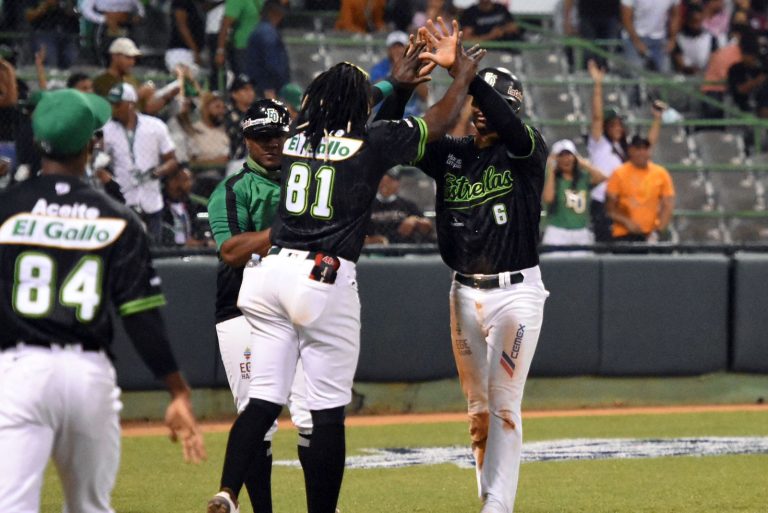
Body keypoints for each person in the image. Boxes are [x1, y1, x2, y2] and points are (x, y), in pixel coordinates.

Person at [206, 20, 485, 513]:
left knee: (264, 400)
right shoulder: (368, 140)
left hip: (268, 277)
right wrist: (461, 75)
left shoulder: (292, 140)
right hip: (321, 277)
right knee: (326, 412)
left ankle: (227, 490)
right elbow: (437, 123)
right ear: (359, 106)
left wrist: (392, 86)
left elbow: (351, 110)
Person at [0, 88, 206, 513]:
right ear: (92, 145)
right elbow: (140, 316)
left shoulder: (6, 208)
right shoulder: (117, 217)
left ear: (39, 143)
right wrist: (177, 390)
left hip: (18, 372)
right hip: (86, 373)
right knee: (90, 506)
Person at [411, 63, 549, 513]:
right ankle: (489, 498)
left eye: (496, 104)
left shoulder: (527, 151)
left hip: (516, 292)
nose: (485, 113)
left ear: (513, 109)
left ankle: (497, 507)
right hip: (464, 292)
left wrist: (465, 72)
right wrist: (410, 87)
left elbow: (507, 121)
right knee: (477, 412)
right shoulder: (453, 153)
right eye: (479, 103)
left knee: (505, 404)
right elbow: (408, 138)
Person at [207, 99, 313, 513]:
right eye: (261, 136)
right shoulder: (233, 188)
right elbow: (231, 250)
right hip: (241, 306)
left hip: (297, 303)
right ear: (247, 138)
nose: (271, 143)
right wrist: (284, 232)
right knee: (258, 416)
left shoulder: (301, 178)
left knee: (311, 411)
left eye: (278, 135)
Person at [587, 59, 662, 242]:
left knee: (627, 242)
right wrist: (598, 83)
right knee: (604, 242)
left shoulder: (624, 148)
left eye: (620, 124)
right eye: (613, 124)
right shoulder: (598, 143)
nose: (617, 127)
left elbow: (647, 145)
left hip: (622, 201)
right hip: (602, 200)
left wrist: (657, 120)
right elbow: (597, 116)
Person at [102, 82, 179, 243]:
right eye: (112, 104)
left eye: (118, 104)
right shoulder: (106, 130)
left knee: (153, 250)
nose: (114, 108)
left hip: (151, 197)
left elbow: (172, 160)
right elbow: (97, 162)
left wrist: (156, 172)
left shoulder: (155, 126)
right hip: (123, 199)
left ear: (131, 104)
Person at [606, 135, 676, 242]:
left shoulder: (661, 173)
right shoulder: (618, 174)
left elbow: (668, 204)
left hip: (651, 233)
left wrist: (658, 231)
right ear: (630, 151)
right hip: (624, 233)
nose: (642, 152)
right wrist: (627, 222)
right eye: (638, 149)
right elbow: (610, 208)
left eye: (645, 149)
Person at [542, 139, 606, 251]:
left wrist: (581, 161)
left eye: (569, 155)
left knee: (582, 267)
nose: (566, 159)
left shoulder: (583, 178)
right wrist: (551, 169)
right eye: (561, 156)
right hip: (557, 233)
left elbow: (602, 177)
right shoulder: (551, 180)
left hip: (581, 232)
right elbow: (548, 198)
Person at [92, 37, 176, 115]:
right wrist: (139, 94)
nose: (132, 62)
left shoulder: (130, 79)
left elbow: (147, 109)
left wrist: (168, 96)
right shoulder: (102, 80)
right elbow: (112, 110)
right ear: (115, 57)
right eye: (128, 57)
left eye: (133, 58)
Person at [365, 168, 434, 244]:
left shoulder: (407, 205)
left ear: (397, 183)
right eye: (383, 181)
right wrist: (370, 240)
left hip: (405, 250)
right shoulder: (366, 205)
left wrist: (415, 220)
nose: (386, 185)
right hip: (371, 252)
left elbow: (427, 227)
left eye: (390, 181)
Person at [370, 31, 428, 117]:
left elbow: (424, 96)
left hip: (410, 115)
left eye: (400, 46)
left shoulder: (415, 66)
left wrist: (414, 74)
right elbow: (375, 91)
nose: (397, 50)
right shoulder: (379, 67)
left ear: (407, 48)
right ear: (388, 50)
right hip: (382, 117)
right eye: (394, 47)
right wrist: (396, 68)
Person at [621, 0, 681, 73]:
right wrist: (637, 42)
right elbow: (626, 18)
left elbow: (675, 15)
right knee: (636, 76)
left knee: (664, 75)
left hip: (660, 39)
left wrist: (672, 39)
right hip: (634, 38)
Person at [246, 0, 290, 99]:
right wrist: (270, 87)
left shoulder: (261, 29)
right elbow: (272, 63)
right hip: (268, 88)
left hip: (261, 85)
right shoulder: (267, 33)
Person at [24, 0, 80, 70]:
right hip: (43, 32)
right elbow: (29, 16)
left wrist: (68, 8)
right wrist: (45, 5)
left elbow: (77, 13)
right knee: (49, 60)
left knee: (70, 57)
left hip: (66, 33)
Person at [215, 0, 263, 76]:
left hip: (248, 47)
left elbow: (225, 25)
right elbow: (225, 25)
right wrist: (220, 50)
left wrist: (220, 51)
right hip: (247, 47)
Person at [189, 91, 231, 174]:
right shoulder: (194, 130)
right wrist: (216, 162)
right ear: (205, 109)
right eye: (217, 107)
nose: (222, 111)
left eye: (223, 107)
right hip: (202, 177)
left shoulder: (227, 129)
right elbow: (190, 162)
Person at [672, 3, 720, 75]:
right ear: (688, 20)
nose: (696, 26)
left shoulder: (711, 38)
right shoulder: (679, 39)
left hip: (705, 75)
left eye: (699, 21)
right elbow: (679, 62)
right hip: (685, 76)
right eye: (693, 21)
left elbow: (713, 60)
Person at [166, 0, 207, 72]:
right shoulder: (181, 2)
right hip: (181, 52)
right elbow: (182, 26)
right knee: (184, 80)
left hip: (189, 51)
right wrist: (195, 51)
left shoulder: (193, 3)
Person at [226, 74, 256, 161]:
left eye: (251, 89)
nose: (250, 92)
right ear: (234, 94)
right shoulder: (227, 115)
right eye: (245, 89)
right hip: (235, 161)